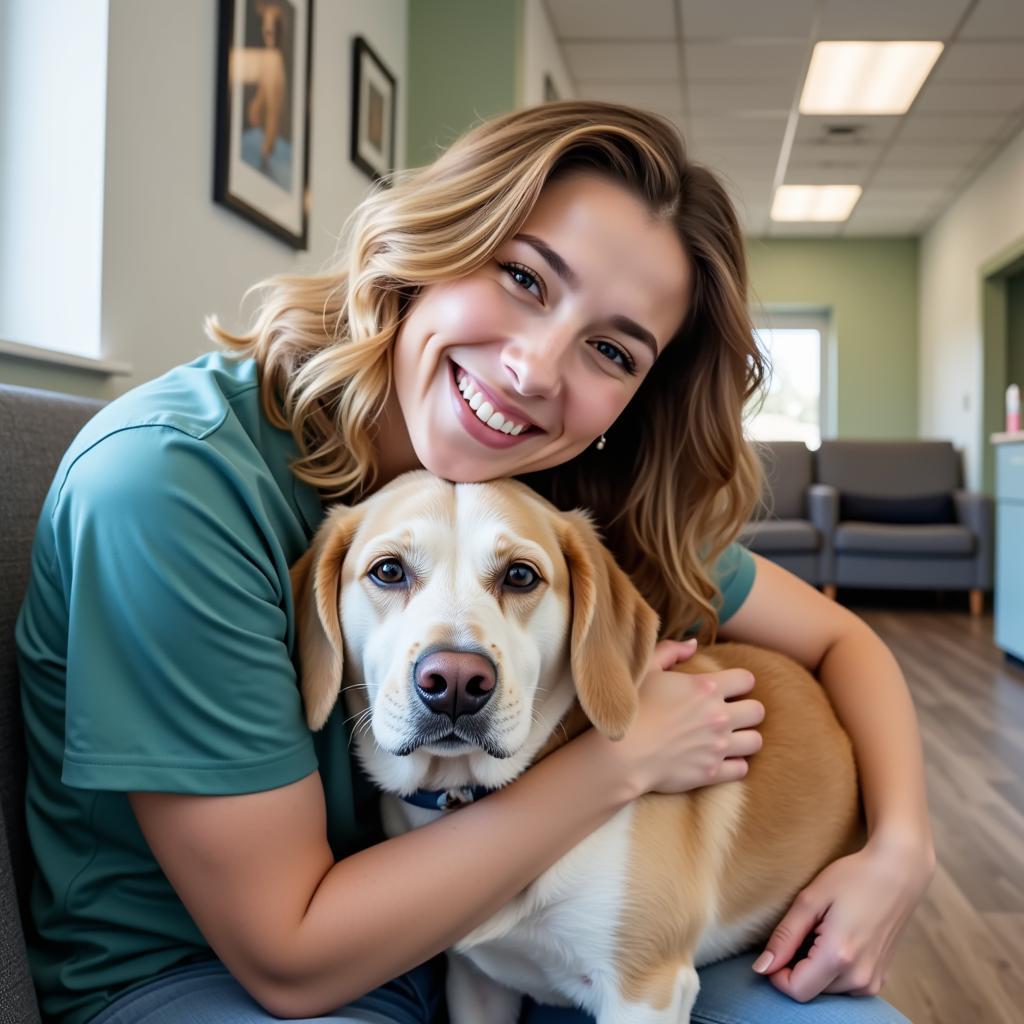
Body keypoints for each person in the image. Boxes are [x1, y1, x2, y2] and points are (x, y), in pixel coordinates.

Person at [17, 101, 934, 1024]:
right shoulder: (168, 483)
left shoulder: (557, 486)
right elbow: (287, 959)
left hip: (524, 923)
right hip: (218, 970)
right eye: (526, 278)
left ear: (635, 398)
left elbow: (841, 640)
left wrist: (900, 851)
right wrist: (625, 760)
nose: (536, 369)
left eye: (611, 349)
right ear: (437, 239)